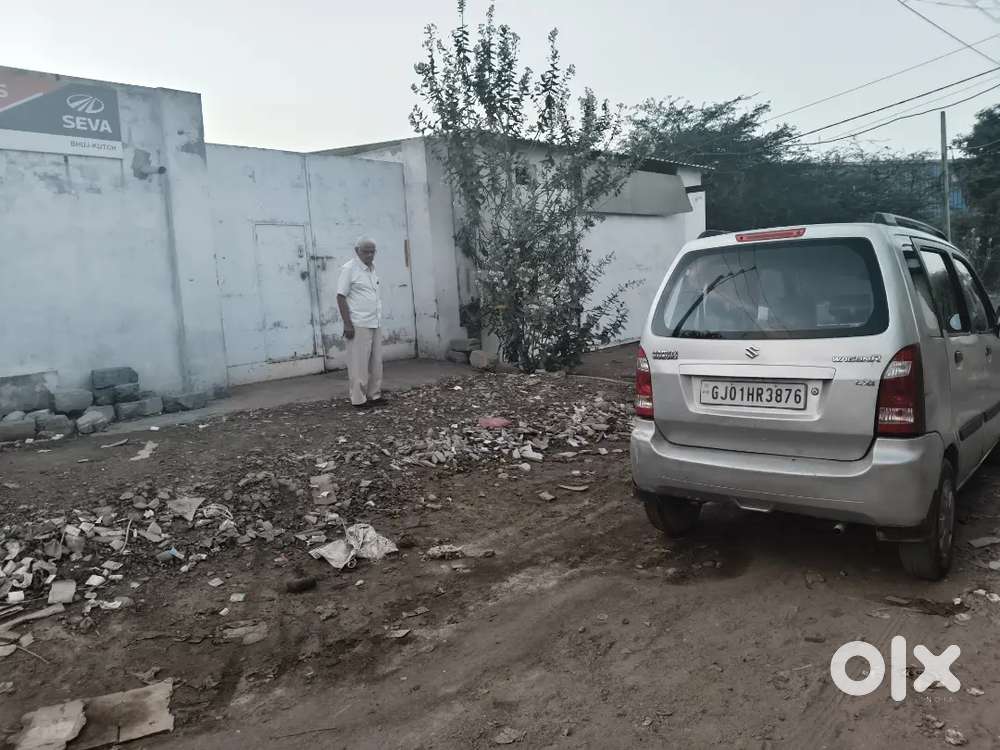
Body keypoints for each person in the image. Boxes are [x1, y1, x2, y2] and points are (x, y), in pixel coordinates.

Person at [336, 237, 384, 408]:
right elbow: (340, 297)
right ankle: (358, 399)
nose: (370, 255)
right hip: (358, 323)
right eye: (366, 251)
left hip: (375, 321)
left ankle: (374, 395)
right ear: (357, 251)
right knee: (359, 364)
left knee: (376, 361)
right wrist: (347, 324)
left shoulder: (372, 269)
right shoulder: (349, 269)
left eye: (373, 251)